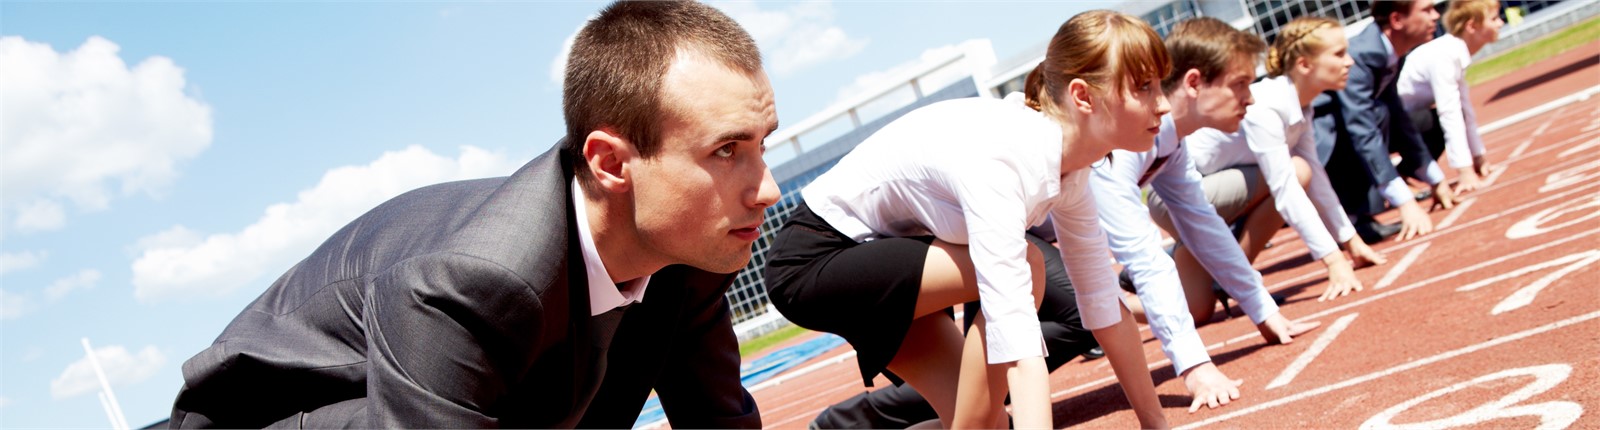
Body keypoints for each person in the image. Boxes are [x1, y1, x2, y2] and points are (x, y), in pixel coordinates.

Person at [169, 2, 777, 427]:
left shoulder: (692, 249)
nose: (766, 190)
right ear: (611, 163)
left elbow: (717, 418)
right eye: (726, 150)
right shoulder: (470, 286)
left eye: (761, 144)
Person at [764, 10, 1171, 429]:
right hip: (815, 260)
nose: (1164, 103)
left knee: (986, 425)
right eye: (1144, 87)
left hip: (892, 259)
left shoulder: (1070, 173)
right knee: (1028, 267)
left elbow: (1104, 304)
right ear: (1083, 96)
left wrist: (1155, 423)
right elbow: (1016, 342)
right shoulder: (1005, 158)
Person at [1093, 17, 1325, 415]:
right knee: (1058, 316)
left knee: (1076, 309)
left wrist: (1263, 309)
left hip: (1039, 249)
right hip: (1015, 242)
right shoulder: (1124, 143)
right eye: (1240, 84)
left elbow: (1204, 224)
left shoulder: (1169, 142)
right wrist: (1195, 366)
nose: (1250, 98)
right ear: (1195, 83)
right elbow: (1145, 258)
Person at [1180, 17, 1391, 306]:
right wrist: (1333, 260)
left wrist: (1350, 240)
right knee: (1295, 172)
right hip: (1180, 196)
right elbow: (1286, 186)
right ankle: (1233, 272)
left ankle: (1196, 266)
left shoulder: (1302, 109)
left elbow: (1318, 177)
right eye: (1339, 54)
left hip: (1220, 193)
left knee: (1197, 309)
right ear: (1304, 65)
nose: (1350, 62)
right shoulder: (1266, 106)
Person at [808, 232, 1102, 429]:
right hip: (881, 251)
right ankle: (850, 418)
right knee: (1071, 307)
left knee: (987, 412)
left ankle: (846, 420)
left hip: (970, 239)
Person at [1312, 0, 1445, 244]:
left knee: (1422, 119)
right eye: (1426, 10)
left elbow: (1397, 113)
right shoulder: (1362, 56)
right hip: (1321, 146)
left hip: (1352, 130)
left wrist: (1435, 178)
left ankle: (1396, 183)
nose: (1436, 15)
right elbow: (1360, 126)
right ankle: (1354, 217)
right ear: (1396, 20)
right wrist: (1404, 202)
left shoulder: (1393, 52)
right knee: (1375, 115)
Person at [1396, 0, 1504, 194]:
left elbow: (1465, 109)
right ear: (1472, 26)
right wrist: (1464, 171)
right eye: (1494, 18)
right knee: (1441, 119)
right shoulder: (1444, 55)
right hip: (1387, 127)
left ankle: (1404, 173)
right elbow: (1450, 113)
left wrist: (1479, 157)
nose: (1500, 24)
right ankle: (1397, 178)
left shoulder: (1453, 52)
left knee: (1450, 116)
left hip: (1404, 122)